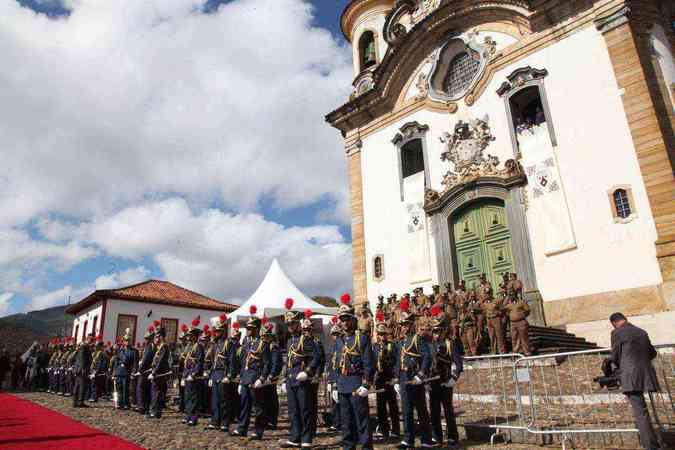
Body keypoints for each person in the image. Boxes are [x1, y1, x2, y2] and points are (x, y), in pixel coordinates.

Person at [609, 313, 662, 450]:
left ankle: (650, 445)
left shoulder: (617, 332)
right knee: (644, 410)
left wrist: (614, 366)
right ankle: (654, 441)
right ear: (625, 319)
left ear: (614, 323)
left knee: (640, 412)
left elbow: (615, 355)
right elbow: (652, 353)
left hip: (630, 376)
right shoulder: (641, 332)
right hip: (646, 374)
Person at [334, 293, 374, 450]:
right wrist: (336, 385)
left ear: (353, 320)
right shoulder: (339, 340)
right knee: (346, 422)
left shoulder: (362, 338)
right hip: (343, 384)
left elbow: (369, 363)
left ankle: (366, 447)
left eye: (346, 319)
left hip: (357, 384)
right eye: (341, 320)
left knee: (362, 421)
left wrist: (366, 384)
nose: (343, 323)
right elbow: (338, 364)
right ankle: (348, 447)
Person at [395, 297, 434, 449]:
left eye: (406, 324)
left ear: (411, 324)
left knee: (421, 410)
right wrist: (397, 379)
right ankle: (408, 439)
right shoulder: (400, 341)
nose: (404, 327)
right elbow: (399, 361)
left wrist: (421, 374)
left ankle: (426, 440)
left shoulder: (419, 339)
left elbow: (426, 357)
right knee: (406, 411)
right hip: (404, 378)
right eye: (402, 325)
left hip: (415, 377)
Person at [282, 299, 321, 448]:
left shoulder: (306, 339)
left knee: (305, 410)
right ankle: (295, 436)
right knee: (293, 411)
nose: (290, 327)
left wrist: (308, 371)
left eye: (292, 323)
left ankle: (306, 439)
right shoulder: (289, 341)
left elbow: (316, 357)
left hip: (302, 379)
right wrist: (285, 379)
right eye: (288, 324)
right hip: (291, 379)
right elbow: (289, 361)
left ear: (298, 323)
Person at [233, 305, 271, 441]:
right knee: (244, 405)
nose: (247, 331)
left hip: (255, 379)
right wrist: (241, 378)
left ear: (256, 329)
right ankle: (242, 428)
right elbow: (243, 363)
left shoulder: (263, 344)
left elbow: (267, 363)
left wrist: (262, 378)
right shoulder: (246, 343)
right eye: (247, 328)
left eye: (250, 328)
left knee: (258, 407)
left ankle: (258, 431)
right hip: (245, 378)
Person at [428, 308, 463, 447]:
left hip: (446, 382)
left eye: (438, 331)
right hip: (433, 383)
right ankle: (437, 437)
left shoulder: (450, 344)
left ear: (443, 330)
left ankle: (452, 437)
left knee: (448, 411)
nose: (435, 334)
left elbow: (458, 364)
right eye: (434, 331)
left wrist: (453, 378)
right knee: (434, 412)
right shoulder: (430, 345)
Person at [372, 320, 400, 441]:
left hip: (390, 379)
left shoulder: (392, 345)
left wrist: (396, 377)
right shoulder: (374, 347)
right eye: (379, 334)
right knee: (380, 407)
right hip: (379, 379)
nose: (381, 336)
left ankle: (396, 430)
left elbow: (397, 361)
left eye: (383, 334)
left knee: (393, 406)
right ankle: (384, 430)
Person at [206, 315, 228, 431]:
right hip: (215, 373)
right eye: (216, 331)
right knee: (215, 400)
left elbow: (230, 361)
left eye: (219, 331)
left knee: (223, 400)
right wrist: (210, 376)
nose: (216, 333)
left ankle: (224, 422)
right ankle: (215, 421)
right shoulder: (215, 344)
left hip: (223, 373)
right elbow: (212, 361)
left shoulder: (227, 343)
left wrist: (227, 375)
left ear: (223, 331)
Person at [183, 318, 205, 426]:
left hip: (194, 376)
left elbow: (199, 362)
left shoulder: (199, 347)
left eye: (190, 335)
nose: (188, 337)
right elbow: (186, 362)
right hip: (187, 375)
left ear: (195, 336)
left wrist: (193, 373)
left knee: (194, 397)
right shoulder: (190, 346)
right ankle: (188, 416)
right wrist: (184, 375)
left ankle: (193, 418)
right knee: (188, 397)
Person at [149, 327, 170, 419]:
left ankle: (155, 412)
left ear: (161, 336)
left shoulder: (164, 346)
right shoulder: (160, 347)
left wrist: (154, 372)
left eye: (157, 336)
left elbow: (160, 361)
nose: (156, 338)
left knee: (157, 393)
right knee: (156, 392)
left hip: (160, 374)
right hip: (157, 373)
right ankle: (155, 411)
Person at [136, 324, 157, 415]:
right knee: (146, 390)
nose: (146, 340)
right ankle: (145, 406)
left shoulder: (149, 347)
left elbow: (146, 359)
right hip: (147, 370)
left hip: (145, 371)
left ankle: (142, 407)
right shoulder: (151, 346)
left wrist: (140, 369)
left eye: (147, 338)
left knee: (141, 389)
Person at [72, 334, 93, 407]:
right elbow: (82, 359)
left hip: (78, 369)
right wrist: (83, 368)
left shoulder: (81, 347)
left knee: (77, 385)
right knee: (81, 386)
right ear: (87, 339)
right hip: (82, 369)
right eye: (91, 340)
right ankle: (80, 402)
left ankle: (75, 402)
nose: (91, 341)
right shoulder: (84, 347)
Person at [89, 336, 108, 402]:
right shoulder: (94, 353)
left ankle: (94, 397)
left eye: (97, 346)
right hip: (92, 370)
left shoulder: (102, 353)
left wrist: (96, 371)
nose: (95, 347)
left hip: (97, 371)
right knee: (92, 384)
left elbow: (101, 363)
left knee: (95, 385)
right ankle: (92, 396)